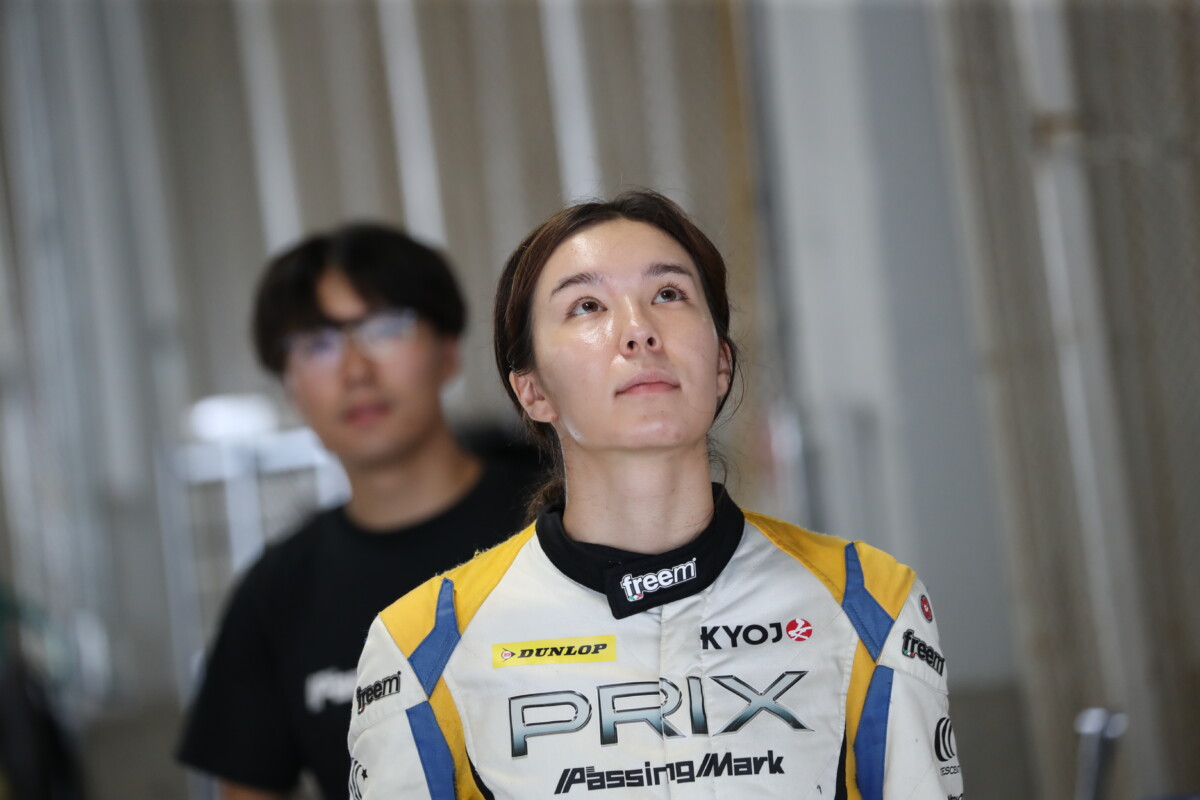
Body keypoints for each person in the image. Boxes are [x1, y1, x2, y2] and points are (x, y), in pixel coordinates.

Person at [347, 191, 963, 799]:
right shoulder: (424, 644)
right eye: (587, 306)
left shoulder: (870, 601)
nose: (639, 331)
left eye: (668, 294)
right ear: (532, 391)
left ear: (721, 364)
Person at [176, 223, 541, 800]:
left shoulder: (560, 521)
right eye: (316, 344)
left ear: (448, 350)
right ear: (289, 384)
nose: (355, 370)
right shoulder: (276, 594)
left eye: (385, 328)